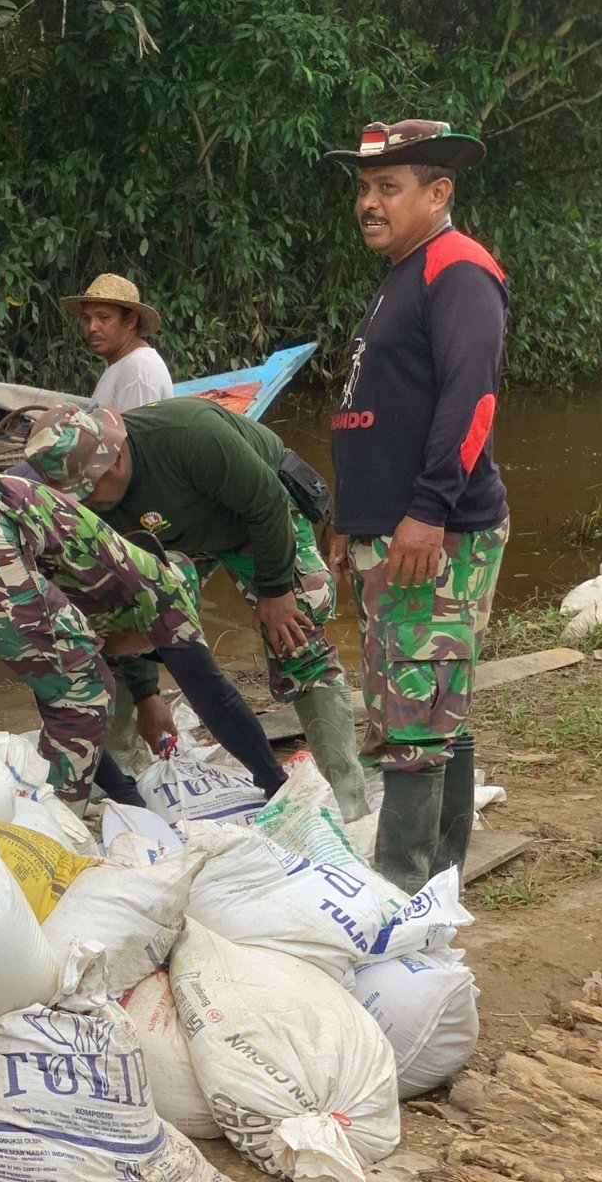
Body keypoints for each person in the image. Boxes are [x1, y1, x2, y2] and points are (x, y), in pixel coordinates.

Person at [321, 118, 510, 892]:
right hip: (390, 530)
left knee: (412, 719)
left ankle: (403, 900)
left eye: (389, 187)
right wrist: (352, 518)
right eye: (365, 188)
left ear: (438, 194)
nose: (369, 202)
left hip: (438, 534)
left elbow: (472, 400)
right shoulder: (405, 272)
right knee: (429, 704)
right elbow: (381, 409)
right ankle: (438, 884)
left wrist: (428, 510)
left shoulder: (458, 270)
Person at [24, 399, 370, 820]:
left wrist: (276, 592)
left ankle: (348, 798)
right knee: (106, 632)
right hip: (174, 540)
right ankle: (111, 794)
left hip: (254, 522)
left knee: (297, 637)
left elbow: (266, 504)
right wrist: (147, 695)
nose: (85, 503)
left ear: (115, 460)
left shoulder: (190, 436)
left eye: (87, 490)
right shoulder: (91, 507)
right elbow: (128, 601)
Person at [0, 469, 288, 804]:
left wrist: (124, 794)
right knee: (83, 689)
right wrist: (276, 783)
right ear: (151, 631)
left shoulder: (98, 575)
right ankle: (55, 831)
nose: (129, 657)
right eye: (145, 653)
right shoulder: (165, 588)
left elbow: (53, 694)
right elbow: (216, 698)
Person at [61, 273, 174, 409]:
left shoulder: (138, 370)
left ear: (131, 320)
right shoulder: (124, 364)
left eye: (103, 317)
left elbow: (131, 424)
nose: (92, 327)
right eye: (86, 319)